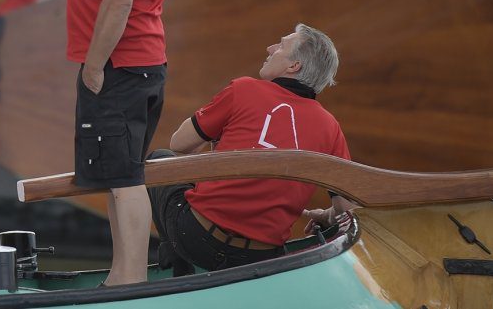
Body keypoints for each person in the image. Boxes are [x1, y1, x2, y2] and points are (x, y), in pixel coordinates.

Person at [31, 0, 178, 286]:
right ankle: (123, 272)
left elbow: (119, 2)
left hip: (119, 66)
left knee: (124, 177)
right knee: (119, 174)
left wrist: (94, 66)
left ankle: (130, 278)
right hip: (142, 62)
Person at [148, 24, 353, 274]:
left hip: (199, 240)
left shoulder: (244, 89)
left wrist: (215, 131)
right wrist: (328, 214)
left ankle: (178, 271)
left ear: (293, 66)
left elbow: (178, 144)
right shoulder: (331, 128)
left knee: (159, 160)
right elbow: (346, 208)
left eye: (281, 45)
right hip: (262, 258)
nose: (270, 48)